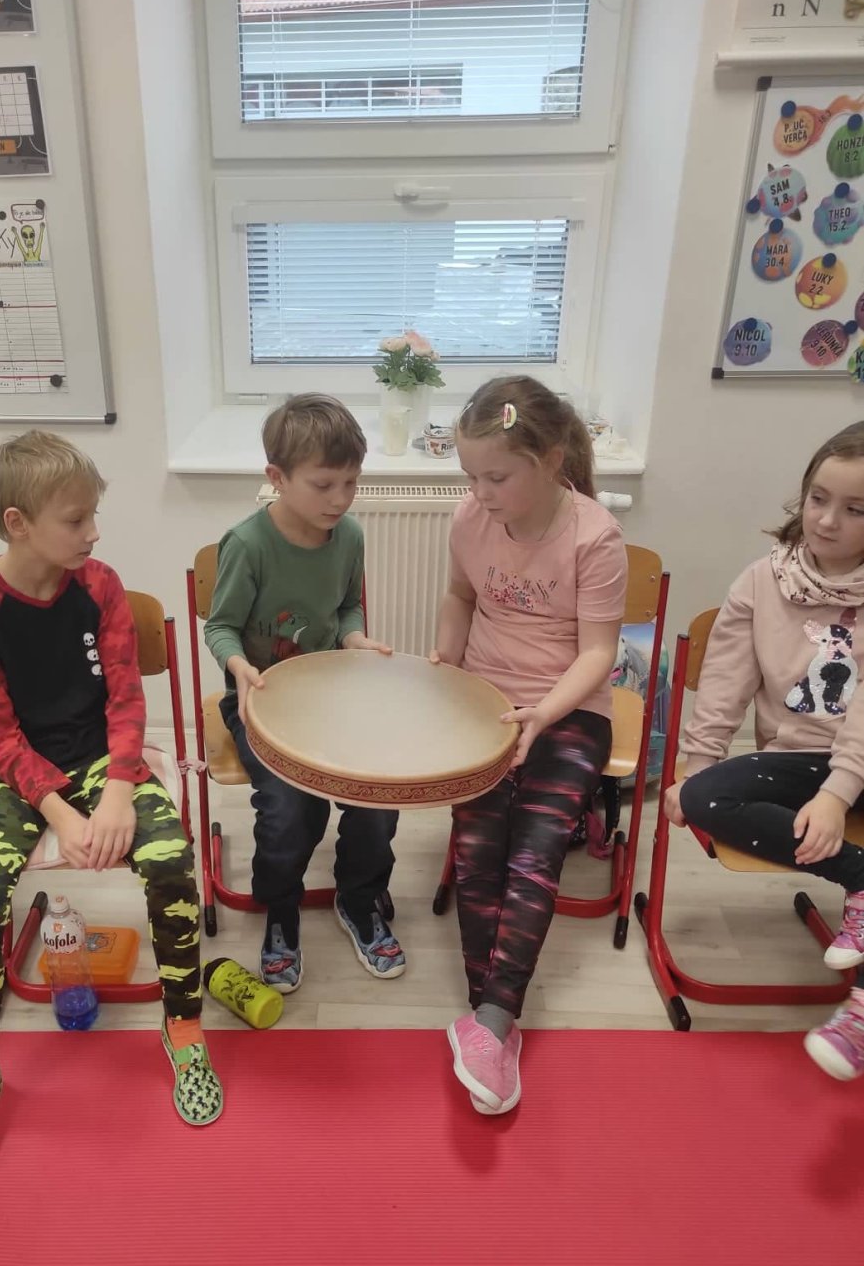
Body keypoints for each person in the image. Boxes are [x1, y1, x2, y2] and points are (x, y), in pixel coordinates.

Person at [0, 431, 221, 1184]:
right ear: (17, 523)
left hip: (104, 759)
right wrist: (62, 814)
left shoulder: (99, 585)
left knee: (171, 862)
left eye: (93, 515)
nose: (93, 532)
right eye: (75, 519)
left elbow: (126, 700)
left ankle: (184, 1027)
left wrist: (121, 790)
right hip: (17, 774)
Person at [434, 377, 626, 1116]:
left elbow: (597, 653)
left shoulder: (595, 537)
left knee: (535, 850)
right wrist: (446, 665)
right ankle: (490, 1019)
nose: (479, 494)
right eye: (471, 477)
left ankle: (492, 1017)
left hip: (569, 709)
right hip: (484, 703)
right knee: (478, 844)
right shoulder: (469, 518)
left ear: (549, 460)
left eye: (496, 477)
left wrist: (542, 715)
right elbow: (461, 597)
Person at [671, 422, 864, 1083]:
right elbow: (724, 681)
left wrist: (836, 796)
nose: (827, 520)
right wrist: (697, 766)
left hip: (855, 762)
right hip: (802, 757)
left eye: (855, 509)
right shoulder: (763, 581)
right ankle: (859, 877)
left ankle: (858, 1017)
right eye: (818, 498)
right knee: (705, 795)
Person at [204, 394, 403, 993]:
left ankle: (358, 898)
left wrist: (355, 637)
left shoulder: (350, 536)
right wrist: (239, 667)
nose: (340, 499)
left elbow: (345, 608)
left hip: (332, 698)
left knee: (379, 795)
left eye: (351, 482)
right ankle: (282, 908)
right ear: (277, 477)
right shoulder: (247, 544)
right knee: (291, 810)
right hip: (261, 702)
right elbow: (220, 626)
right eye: (323, 485)